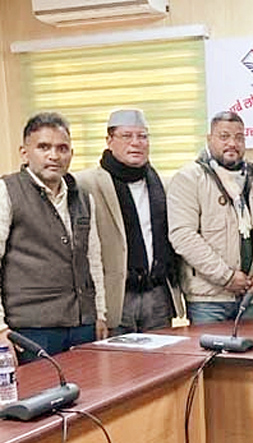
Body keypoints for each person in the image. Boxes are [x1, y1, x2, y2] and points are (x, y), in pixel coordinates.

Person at [0, 112, 107, 363]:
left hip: (82, 324)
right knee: (38, 389)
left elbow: (93, 261)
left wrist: (100, 314)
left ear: (71, 153)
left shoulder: (83, 197)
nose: (54, 155)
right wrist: (0, 329)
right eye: (43, 147)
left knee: (88, 387)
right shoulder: (7, 191)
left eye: (62, 148)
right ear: (24, 153)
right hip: (30, 329)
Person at [76, 109, 181, 336]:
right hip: (116, 295)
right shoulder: (85, 184)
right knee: (117, 358)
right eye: (126, 136)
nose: (136, 143)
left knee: (162, 355)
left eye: (142, 136)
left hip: (157, 293)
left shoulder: (162, 185)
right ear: (109, 140)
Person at [168, 111, 253, 324]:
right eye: (224, 136)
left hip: (250, 296)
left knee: (251, 347)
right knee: (210, 347)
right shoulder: (189, 179)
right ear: (209, 139)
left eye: (239, 137)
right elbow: (183, 236)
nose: (232, 144)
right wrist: (226, 277)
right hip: (208, 301)